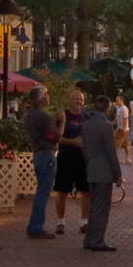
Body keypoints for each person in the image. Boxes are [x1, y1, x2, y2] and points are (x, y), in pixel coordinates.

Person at [81, 95, 123, 251]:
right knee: (102, 207)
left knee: (94, 206)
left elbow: (84, 148)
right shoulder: (105, 126)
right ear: (108, 108)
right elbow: (111, 152)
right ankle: (97, 240)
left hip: (91, 168)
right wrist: (117, 174)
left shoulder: (87, 125)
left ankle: (90, 238)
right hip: (103, 171)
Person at [22, 86, 61, 239]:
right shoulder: (44, 117)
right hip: (46, 154)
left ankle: (35, 225)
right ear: (41, 98)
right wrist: (61, 121)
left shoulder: (29, 115)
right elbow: (55, 136)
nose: (48, 96)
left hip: (37, 154)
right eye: (46, 94)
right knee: (43, 192)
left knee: (41, 190)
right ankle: (36, 226)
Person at [53, 89, 89, 235]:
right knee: (62, 192)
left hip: (82, 159)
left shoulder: (87, 117)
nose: (78, 102)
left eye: (81, 99)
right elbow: (55, 138)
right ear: (69, 100)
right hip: (65, 158)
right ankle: (60, 222)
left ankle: (84, 223)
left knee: (86, 193)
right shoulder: (62, 116)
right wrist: (72, 142)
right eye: (76, 99)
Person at [113, 95, 130, 164]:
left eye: (117, 100)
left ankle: (113, 160)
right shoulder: (118, 108)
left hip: (122, 130)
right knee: (126, 145)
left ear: (121, 100)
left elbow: (125, 119)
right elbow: (117, 118)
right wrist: (112, 124)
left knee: (115, 145)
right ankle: (128, 159)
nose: (116, 101)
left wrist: (124, 129)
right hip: (120, 128)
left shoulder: (124, 108)